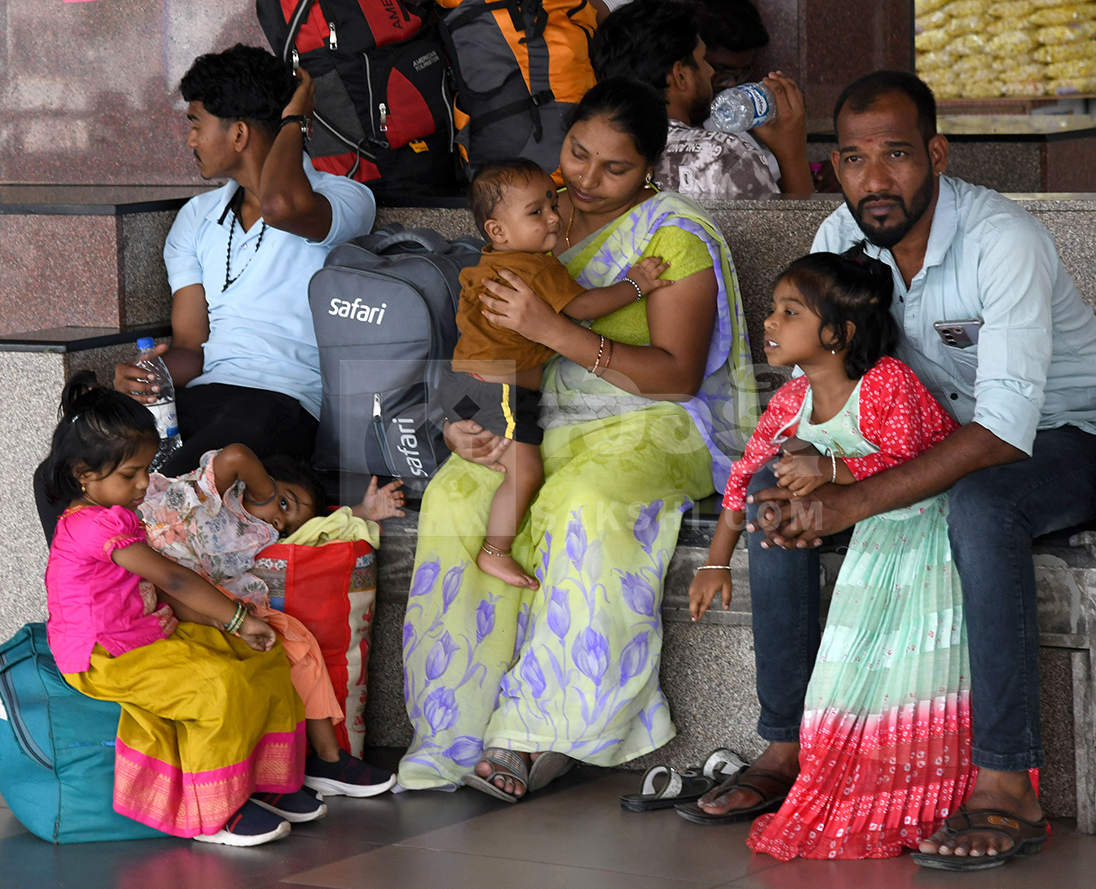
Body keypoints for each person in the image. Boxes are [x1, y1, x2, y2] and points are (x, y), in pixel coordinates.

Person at [699, 71, 1096, 871]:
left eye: (896, 155)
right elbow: (816, 382)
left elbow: (1004, 430)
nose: (875, 179)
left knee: (980, 506)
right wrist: (811, 458)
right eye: (855, 159)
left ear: (935, 152)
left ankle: (1009, 781)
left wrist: (849, 498)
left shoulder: (1002, 239)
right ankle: (790, 744)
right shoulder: (839, 238)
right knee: (769, 491)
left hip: (1068, 436)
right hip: (922, 440)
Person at [397, 78, 757, 800]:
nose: (586, 181)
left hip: (654, 423)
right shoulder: (529, 212)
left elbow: (676, 377)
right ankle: (454, 725)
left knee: (582, 502)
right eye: (578, 154)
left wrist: (558, 332)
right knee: (456, 495)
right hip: (537, 416)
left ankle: (544, 733)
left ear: (650, 166)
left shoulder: (673, 239)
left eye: (614, 167)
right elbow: (484, 336)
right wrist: (466, 416)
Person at [688, 251, 977, 859]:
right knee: (769, 491)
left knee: (785, 485)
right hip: (853, 523)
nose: (770, 322)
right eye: (771, 310)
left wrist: (830, 466)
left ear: (838, 334)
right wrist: (715, 562)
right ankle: (786, 738)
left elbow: (914, 461)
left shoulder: (886, 383)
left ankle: (864, 756)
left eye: (789, 312)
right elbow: (741, 479)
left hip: (918, 520)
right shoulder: (791, 397)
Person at [41, 373, 310, 846]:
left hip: (146, 634)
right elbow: (174, 577)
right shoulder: (91, 527)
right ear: (84, 474)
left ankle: (265, 781)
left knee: (262, 658)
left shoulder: (117, 513)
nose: (146, 483)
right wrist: (233, 617)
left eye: (147, 469)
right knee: (217, 687)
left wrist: (224, 625)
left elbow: (158, 590)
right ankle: (216, 811)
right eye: (131, 475)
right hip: (105, 657)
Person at [113, 44, 376, 476]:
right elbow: (191, 348)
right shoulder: (196, 218)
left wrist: (294, 118)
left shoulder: (345, 198)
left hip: (289, 403)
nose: (190, 139)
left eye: (196, 124)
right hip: (208, 395)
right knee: (74, 458)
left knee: (174, 481)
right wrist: (153, 372)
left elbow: (282, 206)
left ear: (238, 135)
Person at [441, 157, 670, 589]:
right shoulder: (536, 269)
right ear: (498, 231)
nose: (552, 216)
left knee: (491, 459)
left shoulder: (487, 263)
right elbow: (582, 309)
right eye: (536, 212)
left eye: (551, 202)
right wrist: (636, 285)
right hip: (503, 390)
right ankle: (496, 551)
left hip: (462, 382)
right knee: (525, 471)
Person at [139, 444, 404, 798]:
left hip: (207, 599)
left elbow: (319, 530)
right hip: (154, 586)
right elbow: (237, 456)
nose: (279, 520)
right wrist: (268, 492)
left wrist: (363, 511)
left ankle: (328, 759)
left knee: (297, 642)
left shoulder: (260, 533)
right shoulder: (218, 492)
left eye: (286, 522)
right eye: (284, 503)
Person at [590, 0, 813, 200]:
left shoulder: (592, 151)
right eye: (702, 60)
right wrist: (792, 156)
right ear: (680, 75)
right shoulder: (722, 155)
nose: (710, 72)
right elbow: (789, 241)